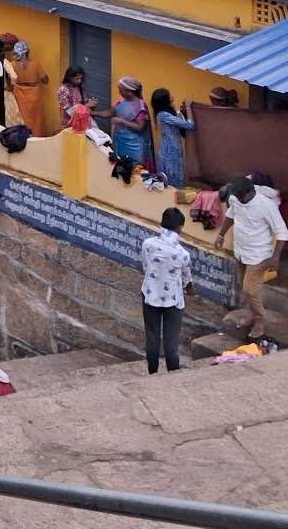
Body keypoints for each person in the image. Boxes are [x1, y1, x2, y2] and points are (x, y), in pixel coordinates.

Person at [213, 177, 288, 339]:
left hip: (259, 255)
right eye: (237, 197)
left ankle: (260, 320)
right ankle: (253, 314)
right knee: (245, 287)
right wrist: (221, 235)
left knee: (250, 289)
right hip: (241, 251)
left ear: (251, 192)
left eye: (242, 197)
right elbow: (231, 215)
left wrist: (275, 257)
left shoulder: (267, 206)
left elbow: (282, 232)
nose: (239, 199)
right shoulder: (235, 198)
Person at [141, 208, 194, 374]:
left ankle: (153, 370)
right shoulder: (182, 254)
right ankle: (173, 369)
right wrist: (190, 287)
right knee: (171, 338)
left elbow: (145, 266)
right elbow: (187, 280)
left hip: (150, 294)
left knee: (152, 335)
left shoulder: (148, 244)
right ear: (179, 228)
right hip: (173, 300)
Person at [150, 89, 195, 188]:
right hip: (169, 151)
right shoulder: (164, 115)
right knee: (172, 179)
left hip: (171, 149)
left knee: (174, 177)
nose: (171, 97)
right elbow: (190, 125)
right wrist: (188, 107)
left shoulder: (163, 113)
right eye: (169, 96)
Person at [109, 78, 151, 168]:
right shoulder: (120, 100)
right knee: (119, 168)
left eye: (122, 91)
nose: (120, 93)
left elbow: (140, 127)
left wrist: (121, 121)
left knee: (132, 169)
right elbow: (110, 113)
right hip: (119, 141)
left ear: (129, 92)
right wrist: (94, 113)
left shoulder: (139, 105)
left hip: (133, 145)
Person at [10, 41, 50, 134]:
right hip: (34, 95)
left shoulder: (12, 65)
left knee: (21, 117)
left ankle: (22, 136)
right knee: (36, 119)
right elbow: (46, 80)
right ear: (27, 52)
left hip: (19, 94)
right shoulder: (35, 64)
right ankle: (36, 137)